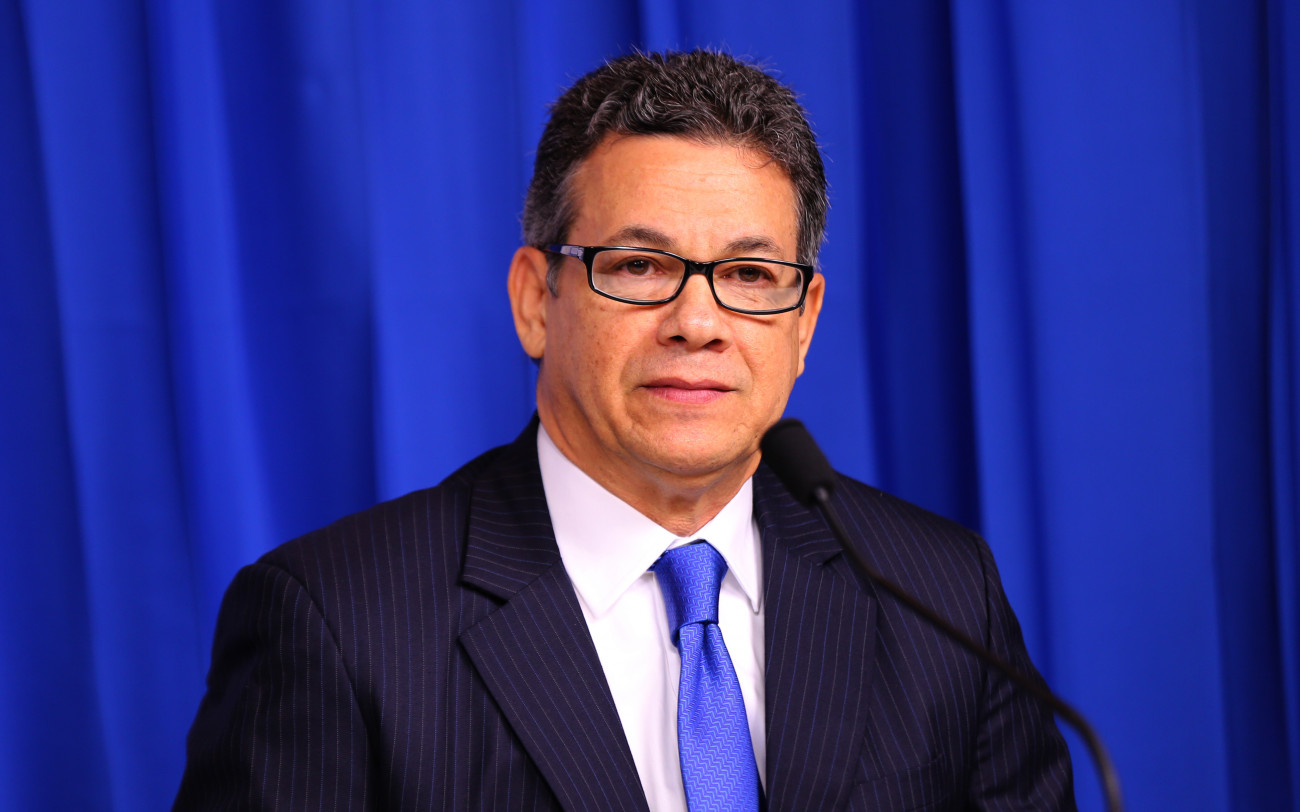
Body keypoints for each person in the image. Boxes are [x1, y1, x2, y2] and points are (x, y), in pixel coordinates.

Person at [175, 50, 1074, 811]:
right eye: (641, 265)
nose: (698, 322)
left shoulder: (939, 593)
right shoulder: (337, 621)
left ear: (803, 324)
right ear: (536, 301)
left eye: (751, 275)